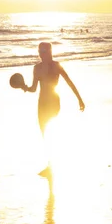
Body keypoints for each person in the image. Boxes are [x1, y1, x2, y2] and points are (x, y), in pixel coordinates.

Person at [22, 42, 85, 174]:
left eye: (44, 51)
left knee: (50, 130)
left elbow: (69, 82)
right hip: (42, 102)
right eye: (40, 51)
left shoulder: (56, 66)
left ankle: (54, 163)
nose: (41, 53)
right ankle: (50, 164)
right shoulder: (36, 68)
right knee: (44, 132)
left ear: (50, 52)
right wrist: (24, 87)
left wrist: (79, 99)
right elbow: (34, 88)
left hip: (54, 101)